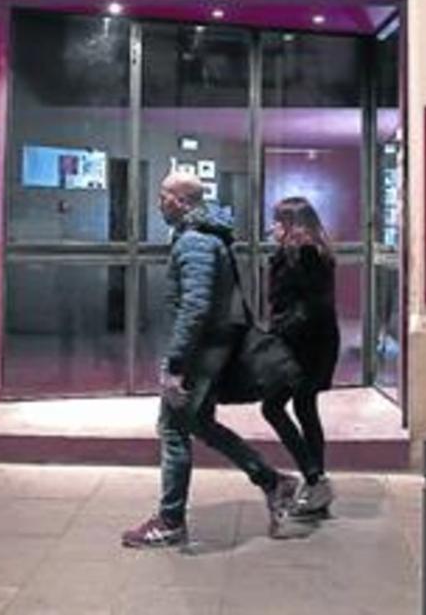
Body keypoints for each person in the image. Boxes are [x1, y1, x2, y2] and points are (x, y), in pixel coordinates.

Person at [121, 172, 298, 548]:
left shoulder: (195, 242)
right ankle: (273, 481)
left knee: (173, 429)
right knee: (199, 423)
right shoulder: (204, 236)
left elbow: (195, 308)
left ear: (182, 201)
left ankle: (170, 521)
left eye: (163, 196)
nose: (158, 203)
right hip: (212, 348)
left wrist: (176, 365)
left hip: (202, 353)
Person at [261, 196, 341, 518]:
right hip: (313, 344)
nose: (272, 228)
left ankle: (314, 477)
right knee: (305, 407)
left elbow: (307, 307)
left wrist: (277, 334)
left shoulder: (304, 254)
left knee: (274, 406)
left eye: (278, 222)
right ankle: (316, 482)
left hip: (305, 347)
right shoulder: (309, 251)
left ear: (292, 225)